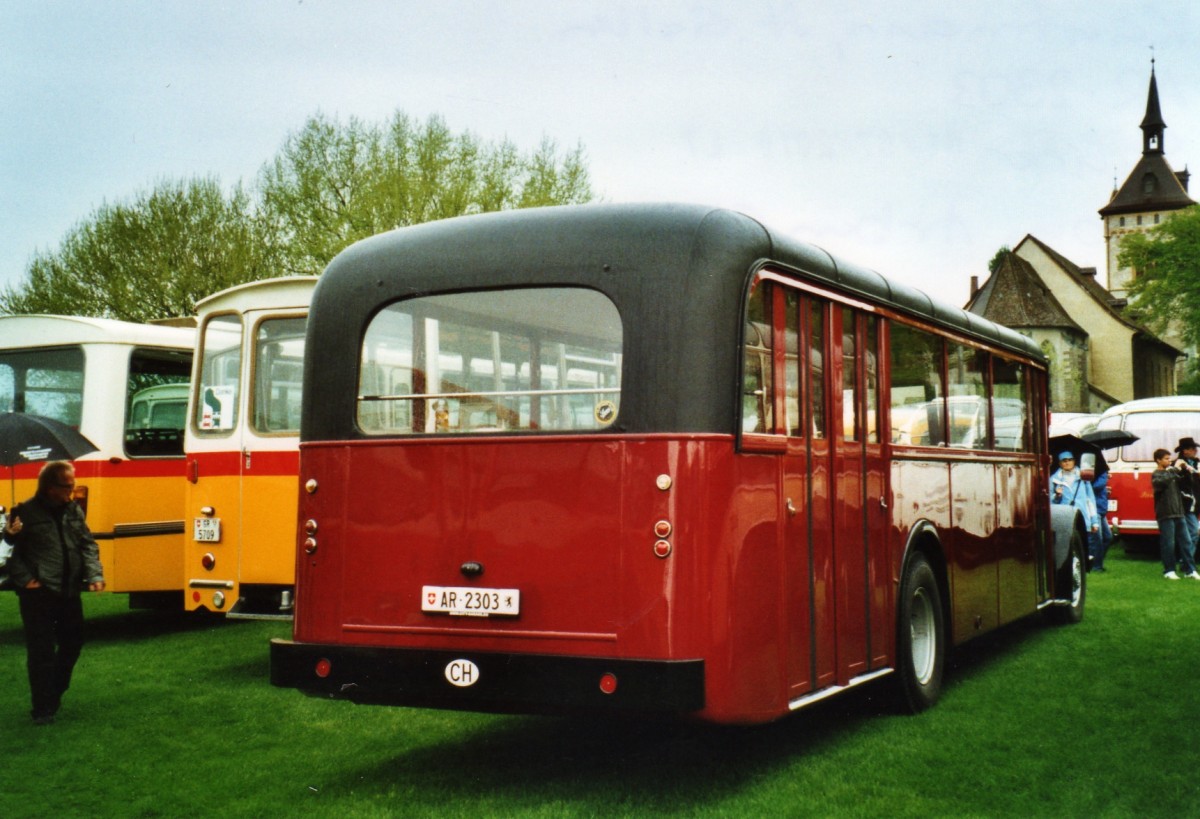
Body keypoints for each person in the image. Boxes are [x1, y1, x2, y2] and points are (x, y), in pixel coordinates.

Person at [2, 461, 105, 725]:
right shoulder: (23, 512)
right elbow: (10, 553)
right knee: (41, 652)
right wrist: (25, 580)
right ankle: (42, 709)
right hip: (39, 594)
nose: (72, 490)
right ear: (50, 488)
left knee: (73, 643)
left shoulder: (73, 510)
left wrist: (94, 575)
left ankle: (54, 691)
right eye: (67, 486)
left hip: (68, 590)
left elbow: (87, 544)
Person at [1150, 448, 1200, 580]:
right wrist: (1175, 469)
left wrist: (1188, 470)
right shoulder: (1157, 474)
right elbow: (1162, 482)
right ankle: (1169, 570)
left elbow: (1186, 484)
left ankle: (1190, 570)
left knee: (1186, 542)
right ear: (1158, 460)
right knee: (1169, 543)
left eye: (1170, 458)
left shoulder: (1172, 474)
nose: (1170, 461)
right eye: (1166, 459)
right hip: (1166, 514)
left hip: (1179, 513)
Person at [1050, 450, 1100, 548]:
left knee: (1084, 547)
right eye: (1064, 460)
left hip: (1082, 518)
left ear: (1074, 461)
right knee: (1064, 548)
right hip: (1063, 519)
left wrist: (1094, 521)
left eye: (1070, 460)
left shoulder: (1084, 477)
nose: (1067, 462)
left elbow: (1090, 500)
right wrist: (1057, 496)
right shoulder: (1053, 479)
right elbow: (1050, 503)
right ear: (1060, 463)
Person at [1175, 437, 1200, 561]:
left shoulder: (1196, 462)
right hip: (1184, 503)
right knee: (1193, 533)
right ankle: (1187, 561)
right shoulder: (1179, 464)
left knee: (1189, 533)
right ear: (1185, 451)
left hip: (1195, 503)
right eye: (1192, 448)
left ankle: (1185, 559)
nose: (1196, 450)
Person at [1088, 466, 1114, 572]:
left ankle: (1095, 562)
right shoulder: (1101, 474)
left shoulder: (1100, 474)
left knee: (1107, 537)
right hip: (1095, 509)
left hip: (1101, 509)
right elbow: (1097, 486)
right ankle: (1096, 566)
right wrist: (1105, 476)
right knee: (1097, 538)